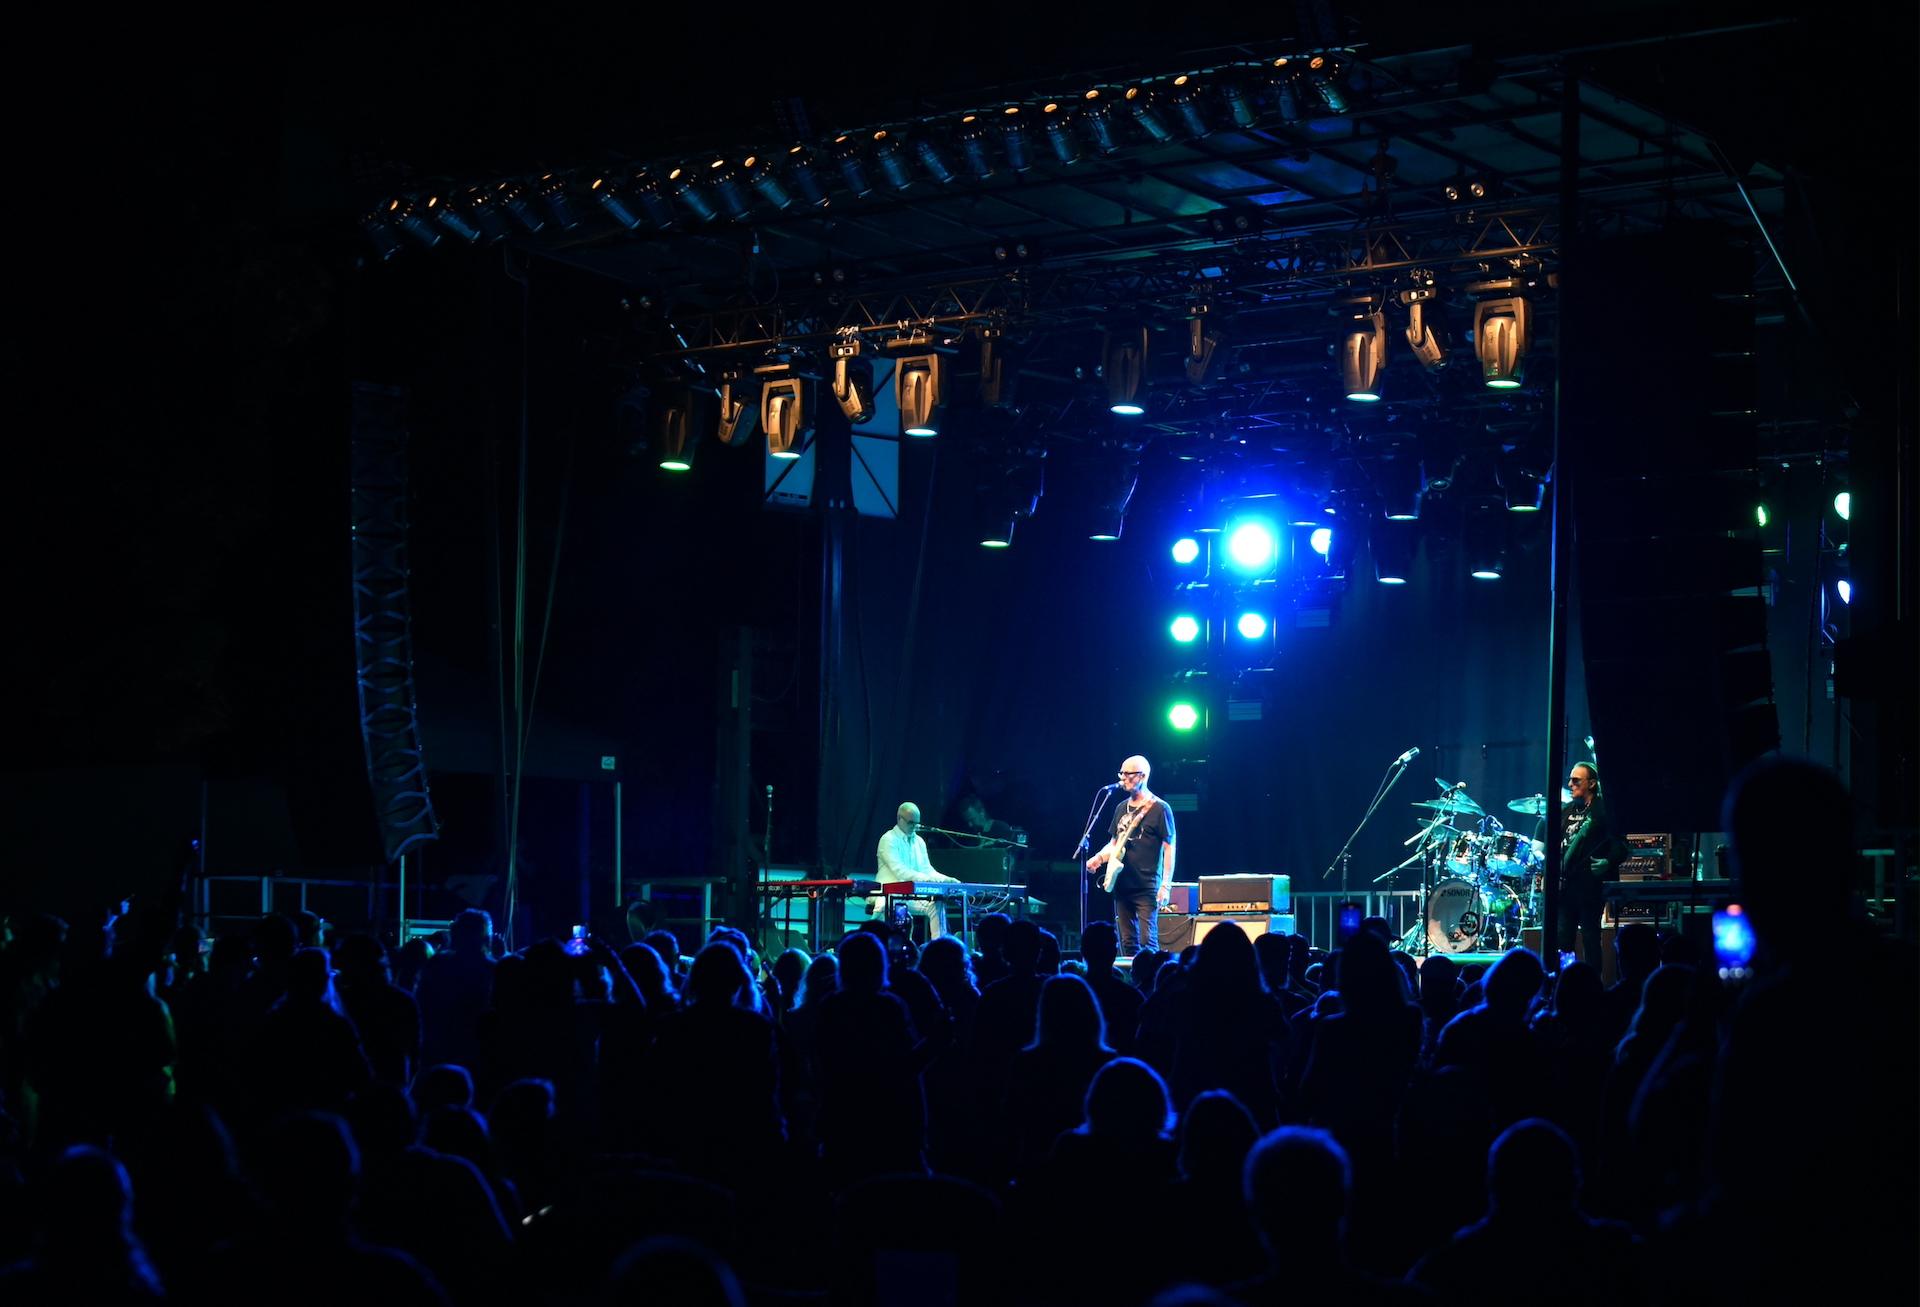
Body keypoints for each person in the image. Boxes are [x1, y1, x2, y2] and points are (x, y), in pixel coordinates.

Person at [1084, 755, 1175, 957]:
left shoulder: (1160, 808)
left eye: (1128, 774)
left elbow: (1170, 847)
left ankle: (1150, 975)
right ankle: (1131, 976)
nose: (1123, 778)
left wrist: (1165, 885)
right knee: (1127, 941)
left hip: (1147, 886)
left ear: (1142, 776)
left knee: (1147, 941)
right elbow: (1115, 844)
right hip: (1122, 885)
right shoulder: (1120, 808)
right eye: (1121, 773)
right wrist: (1099, 858)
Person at [1557, 762, 1622, 966]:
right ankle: (1563, 978)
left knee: (1590, 936)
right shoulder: (1565, 811)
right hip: (1566, 885)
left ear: (1592, 784)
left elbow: (1622, 845)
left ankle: (1593, 980)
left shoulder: (1604, 811)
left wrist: (1608, 862)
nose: (1570, 784)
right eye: (1570, 780)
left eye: (1576, 780)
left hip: (1590, 885)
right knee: (1563, 938)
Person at [875, 802, 959, 941]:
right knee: (893, 910)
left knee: (936, 903)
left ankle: (940, 945)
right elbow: (900, 871)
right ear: (899, 819)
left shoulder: (919, 841)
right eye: (911, 823)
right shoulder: (888, 839)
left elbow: (927, 870)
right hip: (890, 894)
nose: (914, 827)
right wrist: (927, 879)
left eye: (917, 823)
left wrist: (947, 880)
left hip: (911, 895)